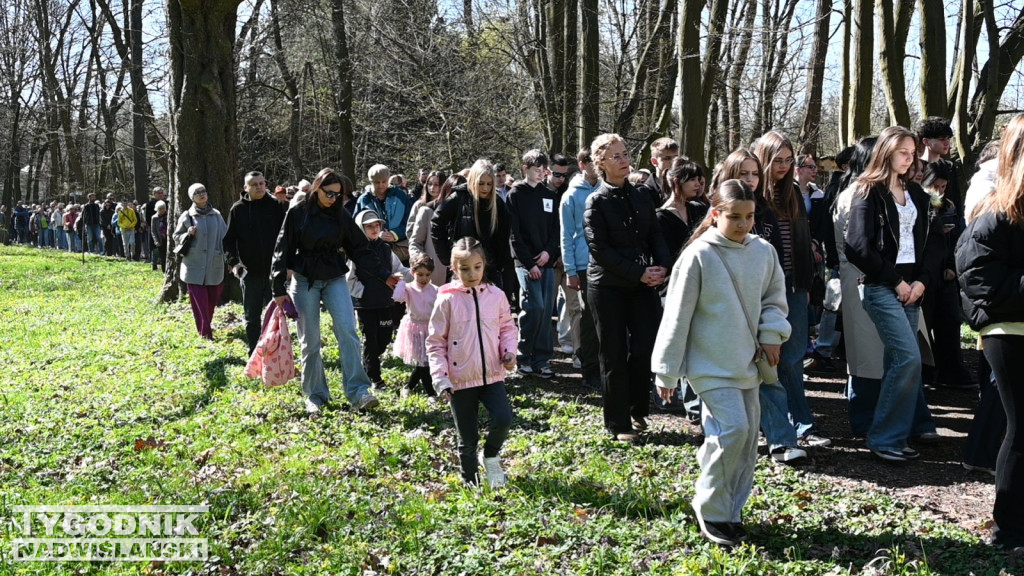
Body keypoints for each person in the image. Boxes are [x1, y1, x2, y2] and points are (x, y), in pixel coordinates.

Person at [653, 179, 790, 547]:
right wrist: (666, 369)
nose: (743, 224)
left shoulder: (763, 251)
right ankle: (710, 508)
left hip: (747, 361)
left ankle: (730, 512)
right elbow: (677, 316)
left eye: (749, 217)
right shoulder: (698, 256)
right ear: (715, 215)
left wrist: (771, 335)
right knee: (731, 431)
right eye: (734, 217)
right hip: (708, 364)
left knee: (746, 439)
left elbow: (775, 299)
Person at [845, 126, 945, 462]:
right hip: (880, 287)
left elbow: (932, 243)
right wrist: (896, 281)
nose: (910, 158)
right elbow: (857, 247)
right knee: (908, 358)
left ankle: (894, 436)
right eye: (903, 152)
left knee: (898, 361)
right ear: (886, 151)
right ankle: (884, 436)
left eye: (912, 152)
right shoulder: (866, 191)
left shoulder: (916, 193)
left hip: (912, 289)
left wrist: (922, 282)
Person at [272, 168, 397, 414]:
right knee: (311, 341)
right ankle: (315, 396)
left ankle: (359, 391)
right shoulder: (298, 213)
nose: (333, 198)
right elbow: (282, 247)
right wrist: (278, 287)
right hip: (305, 278)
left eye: (338, 195)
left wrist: (384, 275)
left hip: (334, 277)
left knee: (348, 332)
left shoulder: (341, 214)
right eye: (329, 193)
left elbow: (359, 249)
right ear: (317, 188)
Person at [956, 112, 1024, 551]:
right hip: (1010, 332)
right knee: (1022, 428)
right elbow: (978, 282)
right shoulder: (995, 214)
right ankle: (1009, 531)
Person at [584, 133, 669, 442]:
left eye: (625, 154)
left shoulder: (642, 195)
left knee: (646, 345)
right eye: (616, 156)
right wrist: (639, 273)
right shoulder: (596, 201)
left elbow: (655, 234)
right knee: (614, 353)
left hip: (642, 283)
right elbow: (601, 252)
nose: (624, 160)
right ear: (601, 163)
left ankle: (636, 408)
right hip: (607, 288)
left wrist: (662, 266)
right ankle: (618, 424)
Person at [752, 132, 830, 449]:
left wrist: (807, 284)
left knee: (795, 355)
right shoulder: (753, 193)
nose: (783, 167)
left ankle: (803, 423)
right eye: (777, 160)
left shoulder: (794, 193)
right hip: (762, 285)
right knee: (769, 356)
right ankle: (774, 423)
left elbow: (801, 242)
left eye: (788, 160)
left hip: (794, 281)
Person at [427, 237, 518, 487]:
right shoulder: (446, 300)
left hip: (492, 375)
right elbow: (435, 342)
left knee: (503, 419)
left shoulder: (496, 295)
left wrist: (509, 351)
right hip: (460, 380)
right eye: (464, 268)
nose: (472, 273)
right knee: (467, 438)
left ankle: (490, 455)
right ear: (454, 269)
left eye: (477, 267)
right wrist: (441, 378)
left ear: (484, 265)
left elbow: (508, 327)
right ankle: (470, 480)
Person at [507, 149, 561, 379]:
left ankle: (542, 359)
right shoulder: (515, 194)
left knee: (547, 309)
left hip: (546, 262)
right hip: (525, 263)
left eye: (543, 171)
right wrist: (530, 264)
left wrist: (549, 253)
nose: (540, 175)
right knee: (533, 307)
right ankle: (524, 356)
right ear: (525, 169)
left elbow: (555, 229)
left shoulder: (549, 195)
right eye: (536, 170)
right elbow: (514, 233)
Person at [223, 171, 287, 356]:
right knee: (252, 317)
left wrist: (287, 265)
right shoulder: (238, 209)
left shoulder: (276, 206)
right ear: (246, 188)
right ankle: (254, 354)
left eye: (261, 183)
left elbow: (286, 237)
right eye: (254, 184)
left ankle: (274, 354)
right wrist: (234, 263)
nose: (259, 187)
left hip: (274, 272)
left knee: (275, 316)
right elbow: (228, 241)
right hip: (249, 273)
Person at [348, 210, 412, 389]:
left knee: (384, 338)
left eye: (377, 225)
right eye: (369, 226)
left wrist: (415, 274)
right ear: (361, 228)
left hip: (385, 301)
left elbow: (398, 269)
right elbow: (349, 278)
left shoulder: (385, 248)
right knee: (370, 339)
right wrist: (362, 292)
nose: (374, 229)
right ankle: (374, 378)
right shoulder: (356, 251)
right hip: (366, 305)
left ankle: (370, 361)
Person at [560, 147, 603, 390]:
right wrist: (570, 270)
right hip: (582, 263)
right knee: (588, 317)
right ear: (583, 164)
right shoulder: (571, 196)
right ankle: (589, 369)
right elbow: (566, 234)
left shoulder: (607, 189)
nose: (597, 166)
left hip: (604, 261)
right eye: (592, 162)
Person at [430, 163, 510, 287]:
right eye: (481, 183)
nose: (485, 188)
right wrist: (447, 257)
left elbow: (504, 234)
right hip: (464, 266)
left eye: (489, 184)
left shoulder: (497, 202)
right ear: (473, 180)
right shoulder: (459, 197)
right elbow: (436, 222)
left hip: (490, 268)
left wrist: (500, 262)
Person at [173, 183, 228, 340]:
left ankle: (206, 326)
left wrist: (228, 259)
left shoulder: (216, 215)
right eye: (197, 192)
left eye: (203, 191)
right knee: (199, 302)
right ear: (192, 197)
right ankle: (205, 332)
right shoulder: (187, 216)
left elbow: (225, 237)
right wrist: (186, 234)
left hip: (214, 263)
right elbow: (176, 236)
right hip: (194, 265)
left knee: (213, 298)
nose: (202, 194)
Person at [392, 254, 440, 396]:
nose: (424, 279)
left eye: (427, 275)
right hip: (414, 327)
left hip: (430, 328)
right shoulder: (408, 288)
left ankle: (408, 387)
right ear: (413, 273)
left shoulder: (436, 290)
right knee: (422, 362)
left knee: (426, 361)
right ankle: (431, 393)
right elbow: (398, 298)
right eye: (420, 275)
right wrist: (400, 282)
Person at [356, 164, 415, 265]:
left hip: (400, 248)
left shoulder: (400, 195)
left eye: (384, 182)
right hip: (373, 250)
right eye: (377, 182)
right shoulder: (364, 200)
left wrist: (395, 234)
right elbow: (357, 226)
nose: (381, 185)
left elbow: (410, 221)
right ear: (371, 182)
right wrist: (376, 234)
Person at [407, 170, 450, 286]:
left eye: (436, 185)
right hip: (427, 255)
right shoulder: (420, 206)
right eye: (430, 184)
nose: (432, 188)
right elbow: (411, 232)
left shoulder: (448, 205)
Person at [639, 137, 680, 206]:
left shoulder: (683, 186)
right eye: (667, 158)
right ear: (654, 161)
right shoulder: (644, 192)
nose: (673, 162)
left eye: (676, 157)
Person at [150, 201, 168, 273]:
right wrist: (156, 241)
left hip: (168, 238)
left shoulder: (168, 215)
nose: (162, 210)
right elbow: (153, 230)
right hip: (160, 239)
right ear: (157, 209)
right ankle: (164, 271)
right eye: (160, 208)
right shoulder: (154, 217)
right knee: (162, 256)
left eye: (163, 208)